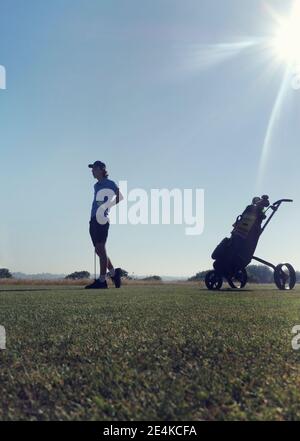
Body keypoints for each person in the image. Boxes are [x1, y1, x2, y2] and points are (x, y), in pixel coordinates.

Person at [85, 161, 123, 290]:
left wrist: (108, 206)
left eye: (94, 168)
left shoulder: (110, 183)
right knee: (98, 250)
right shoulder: (96, 186)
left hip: (102, 219)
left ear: (101, 169)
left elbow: (120, 197)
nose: (92, 171)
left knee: (101, 247)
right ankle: (114, 274)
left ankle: (102, 281)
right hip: (93, 218)